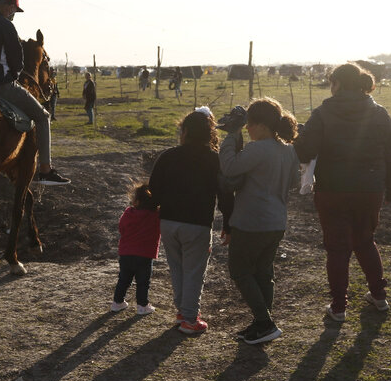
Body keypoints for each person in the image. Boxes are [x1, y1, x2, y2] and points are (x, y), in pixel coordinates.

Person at [294, 62, 391, 322]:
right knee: (365, 240)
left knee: (337, 248)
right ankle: (379, 296)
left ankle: (339, 307)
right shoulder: (379, 113)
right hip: (370, 189)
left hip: (333, 189)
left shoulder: (323, 113)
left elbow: (305, 152)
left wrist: (298, 135)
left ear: (337, 84)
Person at [0, 0, 70, 185]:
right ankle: (46, 170)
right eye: (14, 10)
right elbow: (17, 61)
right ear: (8, 6)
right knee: (42, 116)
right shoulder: (5, 25)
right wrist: (14, 75)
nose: (13, 14)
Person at [219, 98, 300, 345]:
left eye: (249, 125)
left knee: (240, 270)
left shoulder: (258, 148)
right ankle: (262, 322)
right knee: (264, 272)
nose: (247, 129)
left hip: (251, 222)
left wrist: (231, 136)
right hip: (276, 222)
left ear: (262, 125)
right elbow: (295, 183)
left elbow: (229, 167)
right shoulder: (288, 149)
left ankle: (265, 323)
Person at [149, 108, 230, 335]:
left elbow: (153, 190)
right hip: (197, 224)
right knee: (194, 271)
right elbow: (224, 193)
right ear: (209, 133)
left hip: (168, 222)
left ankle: (182, 312)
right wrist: (228, 222)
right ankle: (190, 319)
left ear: (184, 131)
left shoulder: (167, 156)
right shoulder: (215, 160)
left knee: (177, 268)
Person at [111, 183, 161, 315]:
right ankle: (142, 305)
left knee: (123, 279)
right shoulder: (156, 215)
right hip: (145, 254)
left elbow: (121, 228)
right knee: (143, 282)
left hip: (126, 252)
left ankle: (117, 302)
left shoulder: (128, 213)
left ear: (136, 201)